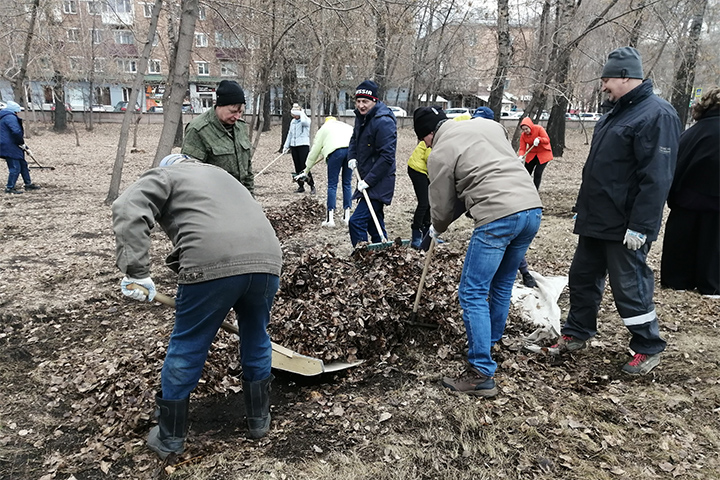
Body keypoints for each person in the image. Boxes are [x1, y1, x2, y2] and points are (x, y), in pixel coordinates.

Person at [111, 154, 282, 458]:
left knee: (188, 343)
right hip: (268, 260)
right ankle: (260, 421)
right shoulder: (222, 176)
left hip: (214, 261)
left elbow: (127, 206)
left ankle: (170, 438)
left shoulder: (167, 176)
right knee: (256, 335)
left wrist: (136, 271)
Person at [553, 46, 681, 375]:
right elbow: (599, 169)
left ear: (625, 77)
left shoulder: (657, 114)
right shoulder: (614, 113)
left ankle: (647, 346)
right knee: (581, 279)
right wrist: (582, 209)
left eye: (607, 79)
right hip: (596, 219)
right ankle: (577, 333)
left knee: (629, 286)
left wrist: (641, 225)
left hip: (625, 224)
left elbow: (657, 177)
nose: (603, 86)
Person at [416, 107, 542, 397]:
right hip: (531, 210)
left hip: (498, 216)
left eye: (425, 140)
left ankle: (481, 372)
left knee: (472, 291)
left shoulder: (440, 152)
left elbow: (442, 202)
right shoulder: (489, 126)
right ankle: (491, 342)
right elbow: (481, 177)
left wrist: (437, 226)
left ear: (430, 134)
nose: (426, 146)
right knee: (501, 283)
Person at [661, 87, 720, 297]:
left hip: (685, 202)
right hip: (716, 206)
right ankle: (711, 285)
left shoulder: (690, 133)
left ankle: (677, 281)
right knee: (712, 247)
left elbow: (672, 166)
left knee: (682, 246)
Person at [346, 80, 397, 246]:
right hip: (366, 176)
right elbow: (354, 139)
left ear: (374, 101)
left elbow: (387, 156)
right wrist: (351, 157)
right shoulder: (362, 117)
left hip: (379, 180)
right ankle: (383, 253)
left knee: (357, 221)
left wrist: (369, 181)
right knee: (374, 223)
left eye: (365, 102)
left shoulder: (383, 121)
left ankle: (363, 258)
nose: (361, 105)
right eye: (358, 101)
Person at [181, 80, 254, 195]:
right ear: (219, 105)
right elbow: (189, 175)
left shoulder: (241, 127)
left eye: (240, 112)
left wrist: (251, 199)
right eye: (233, 111)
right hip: (213, 200)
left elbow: (248, 170)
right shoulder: (198, 129)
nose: (237, 116)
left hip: (241, 198)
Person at [294, 116, 353, 227]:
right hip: (351, 152)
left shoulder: (324, 129)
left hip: (335, 153)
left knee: (332, 185)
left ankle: (330, 219)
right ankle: (347, 217)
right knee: (347, 183)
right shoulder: (346, 126)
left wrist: (306, 169)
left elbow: (315, 151)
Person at [408, 106, 447, 248]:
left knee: (430, 204)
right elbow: (430, 159)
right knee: (424, 202)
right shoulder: (431, 138)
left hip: (426, 170)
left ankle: (428, 236)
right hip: (417, 169)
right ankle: (415, 235)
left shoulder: (440, 136)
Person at [1, 101, 40, 194]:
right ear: (15, 111)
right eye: (18, 111)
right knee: (15, 167)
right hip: (9, 146)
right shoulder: (10, 117)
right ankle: (9, 188)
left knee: (23, 164)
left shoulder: (5, 117)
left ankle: (28, 184)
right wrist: (21, 143)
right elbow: (16, 132)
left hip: (10, 144)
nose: (19, 113)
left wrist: (25, 146)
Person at [283, 103, 315, 194]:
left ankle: (312, 185)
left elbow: (305, 122)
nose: (293, 115)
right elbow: (290, 134)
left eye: (295, 114)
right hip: (294, 146)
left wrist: (302, 113)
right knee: (297, 166)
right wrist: (286, 146)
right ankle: (300, 186)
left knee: (304, 167)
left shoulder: (305, 120)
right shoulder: (292, 122)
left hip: (303, 146)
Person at [518, 117, 553, 190]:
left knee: (537, 173)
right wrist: (521, 156)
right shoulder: (523, 135)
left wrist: (539, 139)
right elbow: (522, 148)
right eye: (523, 129)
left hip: (543, 153)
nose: (525, 131)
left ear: (530, 126)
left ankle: (535, 190)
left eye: (526, 129)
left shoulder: (539, 129)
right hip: (532, 154)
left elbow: (547, 140)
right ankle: (524, 189)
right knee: (526, 172)